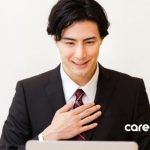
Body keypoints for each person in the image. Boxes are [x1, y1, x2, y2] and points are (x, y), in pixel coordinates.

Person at [0, 0, 150, 150]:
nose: (80, 54)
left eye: (89, 42)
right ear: (55, 40)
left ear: (101, 40)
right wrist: (47, 137)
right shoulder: (28, 92)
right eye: (70, 43)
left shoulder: (132, 91)